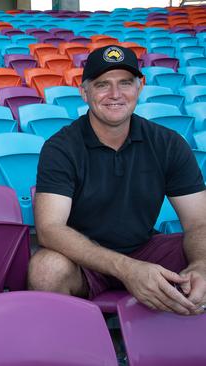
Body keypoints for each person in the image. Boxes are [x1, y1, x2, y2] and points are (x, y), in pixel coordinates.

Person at [30, 45, 206, 316]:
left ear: (140, 87)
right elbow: (50, 229)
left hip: (146, 249)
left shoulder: (168, 142)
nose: (115, 94)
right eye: (102, 85)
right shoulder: (61, 147)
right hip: (84, 258)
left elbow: (199, 221)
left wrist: (201, 265)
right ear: (84, 92)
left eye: (125, 83)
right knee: (46, 268)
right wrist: (127, 268)